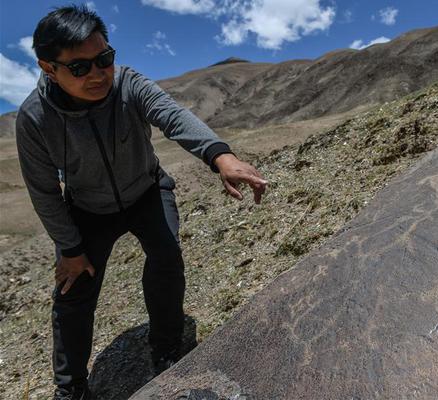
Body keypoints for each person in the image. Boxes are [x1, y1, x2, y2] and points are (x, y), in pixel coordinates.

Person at [15, 5, 268, 399]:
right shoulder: (34, 118)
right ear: (49, 69)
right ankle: (70, 388)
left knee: (166, 256)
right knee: (73, 288)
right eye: (79, 67)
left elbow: (172, 115)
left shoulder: (127, 84)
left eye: (105, 59)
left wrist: (222, 156)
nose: (98, 73)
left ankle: (167, 349)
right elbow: (44, 189)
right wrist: (70, 248)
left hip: (147, 190)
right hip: (87, 209)